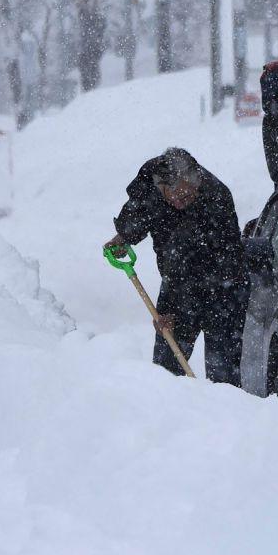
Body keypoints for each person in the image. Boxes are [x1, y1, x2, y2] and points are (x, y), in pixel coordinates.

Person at [105, 148, 249, 385]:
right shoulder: (149, 181)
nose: (183, 203)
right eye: (178, 198)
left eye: (190, 197)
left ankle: (222, 415)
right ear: (162, 187)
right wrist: (123, 236)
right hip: (177, 282)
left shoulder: (216, 198)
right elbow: (138, 211)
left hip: (224, 290)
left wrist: (173, 309)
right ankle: (164, 412)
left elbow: (220, 262)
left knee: (224, 375)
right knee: (166, 371)